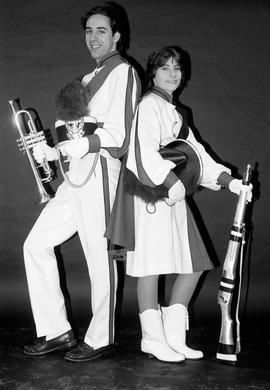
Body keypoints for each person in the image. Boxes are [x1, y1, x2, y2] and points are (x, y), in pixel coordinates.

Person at [23, 1, 140, 362]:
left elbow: (119, 136)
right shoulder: (87, 80)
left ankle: (101, 336)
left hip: (101, 171)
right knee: (35, 245)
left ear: (117, 36)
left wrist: (77, 144)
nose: (93, 37)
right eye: (89, 31)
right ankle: (57, 330)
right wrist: (50, 151)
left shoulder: (123, 72)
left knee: (99, 257)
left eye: (101, 30)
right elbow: (72, 133)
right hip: (75, 176)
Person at [124, 46, 252, 363]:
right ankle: (152, 339)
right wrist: (171, 183)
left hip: (175, 193)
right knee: (150, 266)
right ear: (152, 73)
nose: (172, 73)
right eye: (165, 68)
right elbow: (143, 153)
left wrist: (230, 182)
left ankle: (173, 336)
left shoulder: (178, 113)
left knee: (193, 264)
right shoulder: (148, 105)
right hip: (151, 193)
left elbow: (198, 155)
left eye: (177, 68)